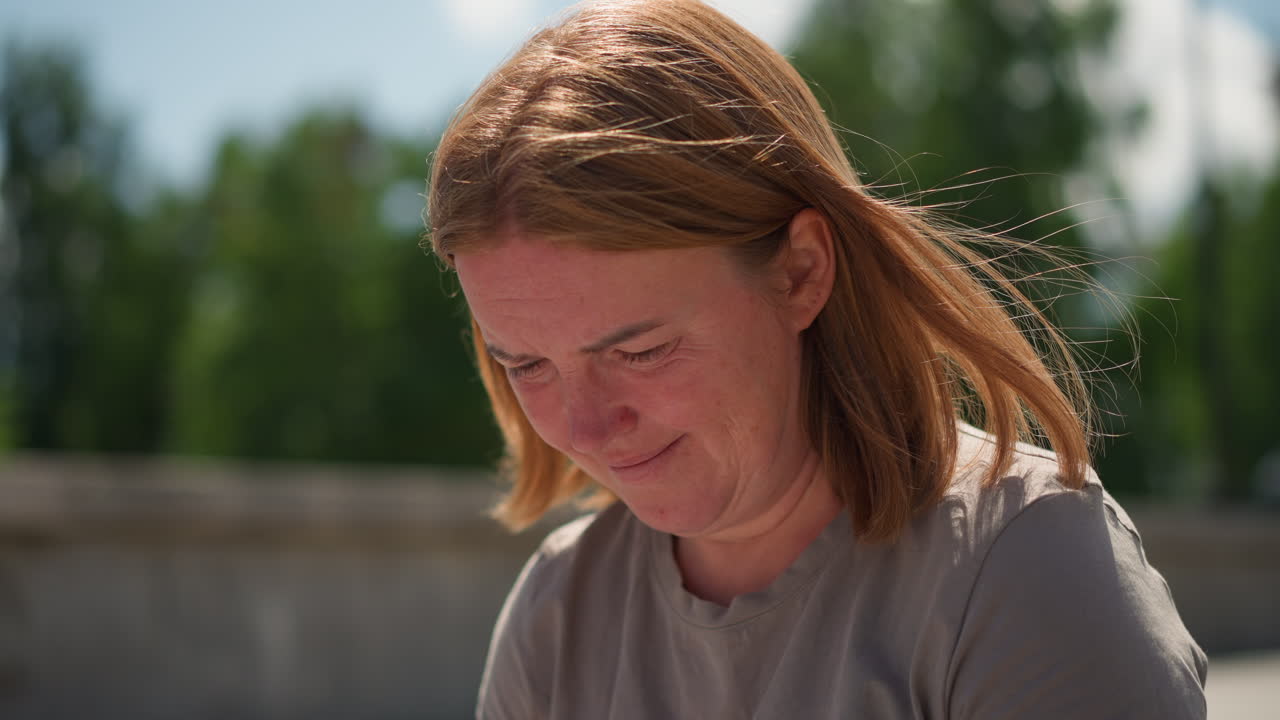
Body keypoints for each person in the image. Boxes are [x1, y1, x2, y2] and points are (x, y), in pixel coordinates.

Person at [426, 0, 1209, 717]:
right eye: (525, 365)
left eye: (641, 350)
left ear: (802, 270)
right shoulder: (558, 616)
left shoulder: (1021, 570)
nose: (587, 428)